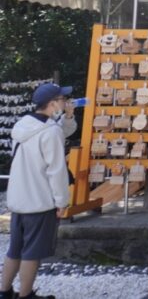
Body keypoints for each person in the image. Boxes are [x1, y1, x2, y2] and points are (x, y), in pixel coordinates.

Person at [0, 83, 74, 299]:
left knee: (15, 249)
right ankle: (25, 295)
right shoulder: (50, 132)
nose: (65, 102)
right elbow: (57, 170)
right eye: (62, 99)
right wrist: (62, 201)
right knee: (33, 253)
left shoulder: (24, 125)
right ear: (52, 104)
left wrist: (68, 117)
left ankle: (4, 292)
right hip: (39, 200)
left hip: (19, 199)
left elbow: (61, 131)